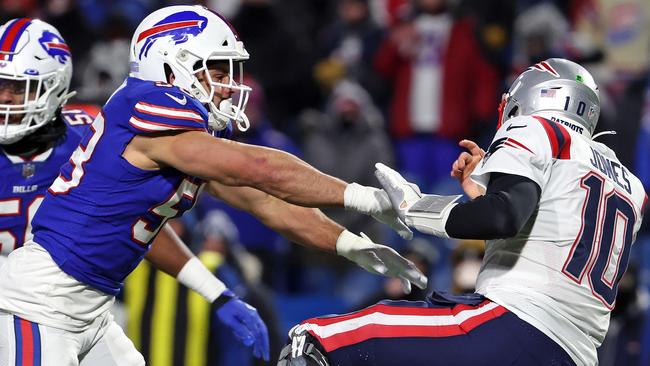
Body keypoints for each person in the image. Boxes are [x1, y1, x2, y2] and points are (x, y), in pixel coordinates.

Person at [0, 6, 427, 365]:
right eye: (216, 69)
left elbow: (264, 201)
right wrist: (367, 198)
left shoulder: (186, 140)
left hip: (90, 309)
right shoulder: (147, 110)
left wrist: (349, 244)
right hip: (41, 305)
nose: (230, 83)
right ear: (172, 64)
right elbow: (261, 168)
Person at [278, 58, 647, 366]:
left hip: (516, 325)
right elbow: (553, 232)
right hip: (576, 353)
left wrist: (416, 208)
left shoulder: (540, 129)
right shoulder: (629, 183)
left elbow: (502, 217)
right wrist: (487, 192)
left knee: (314, 341)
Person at [0, 17, 268, 366]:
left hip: (79, 306)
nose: (5, 99)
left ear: (54, 86)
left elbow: (138, 224)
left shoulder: (95, 133)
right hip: (24, 305)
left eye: (18, 88)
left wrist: (216, 292)